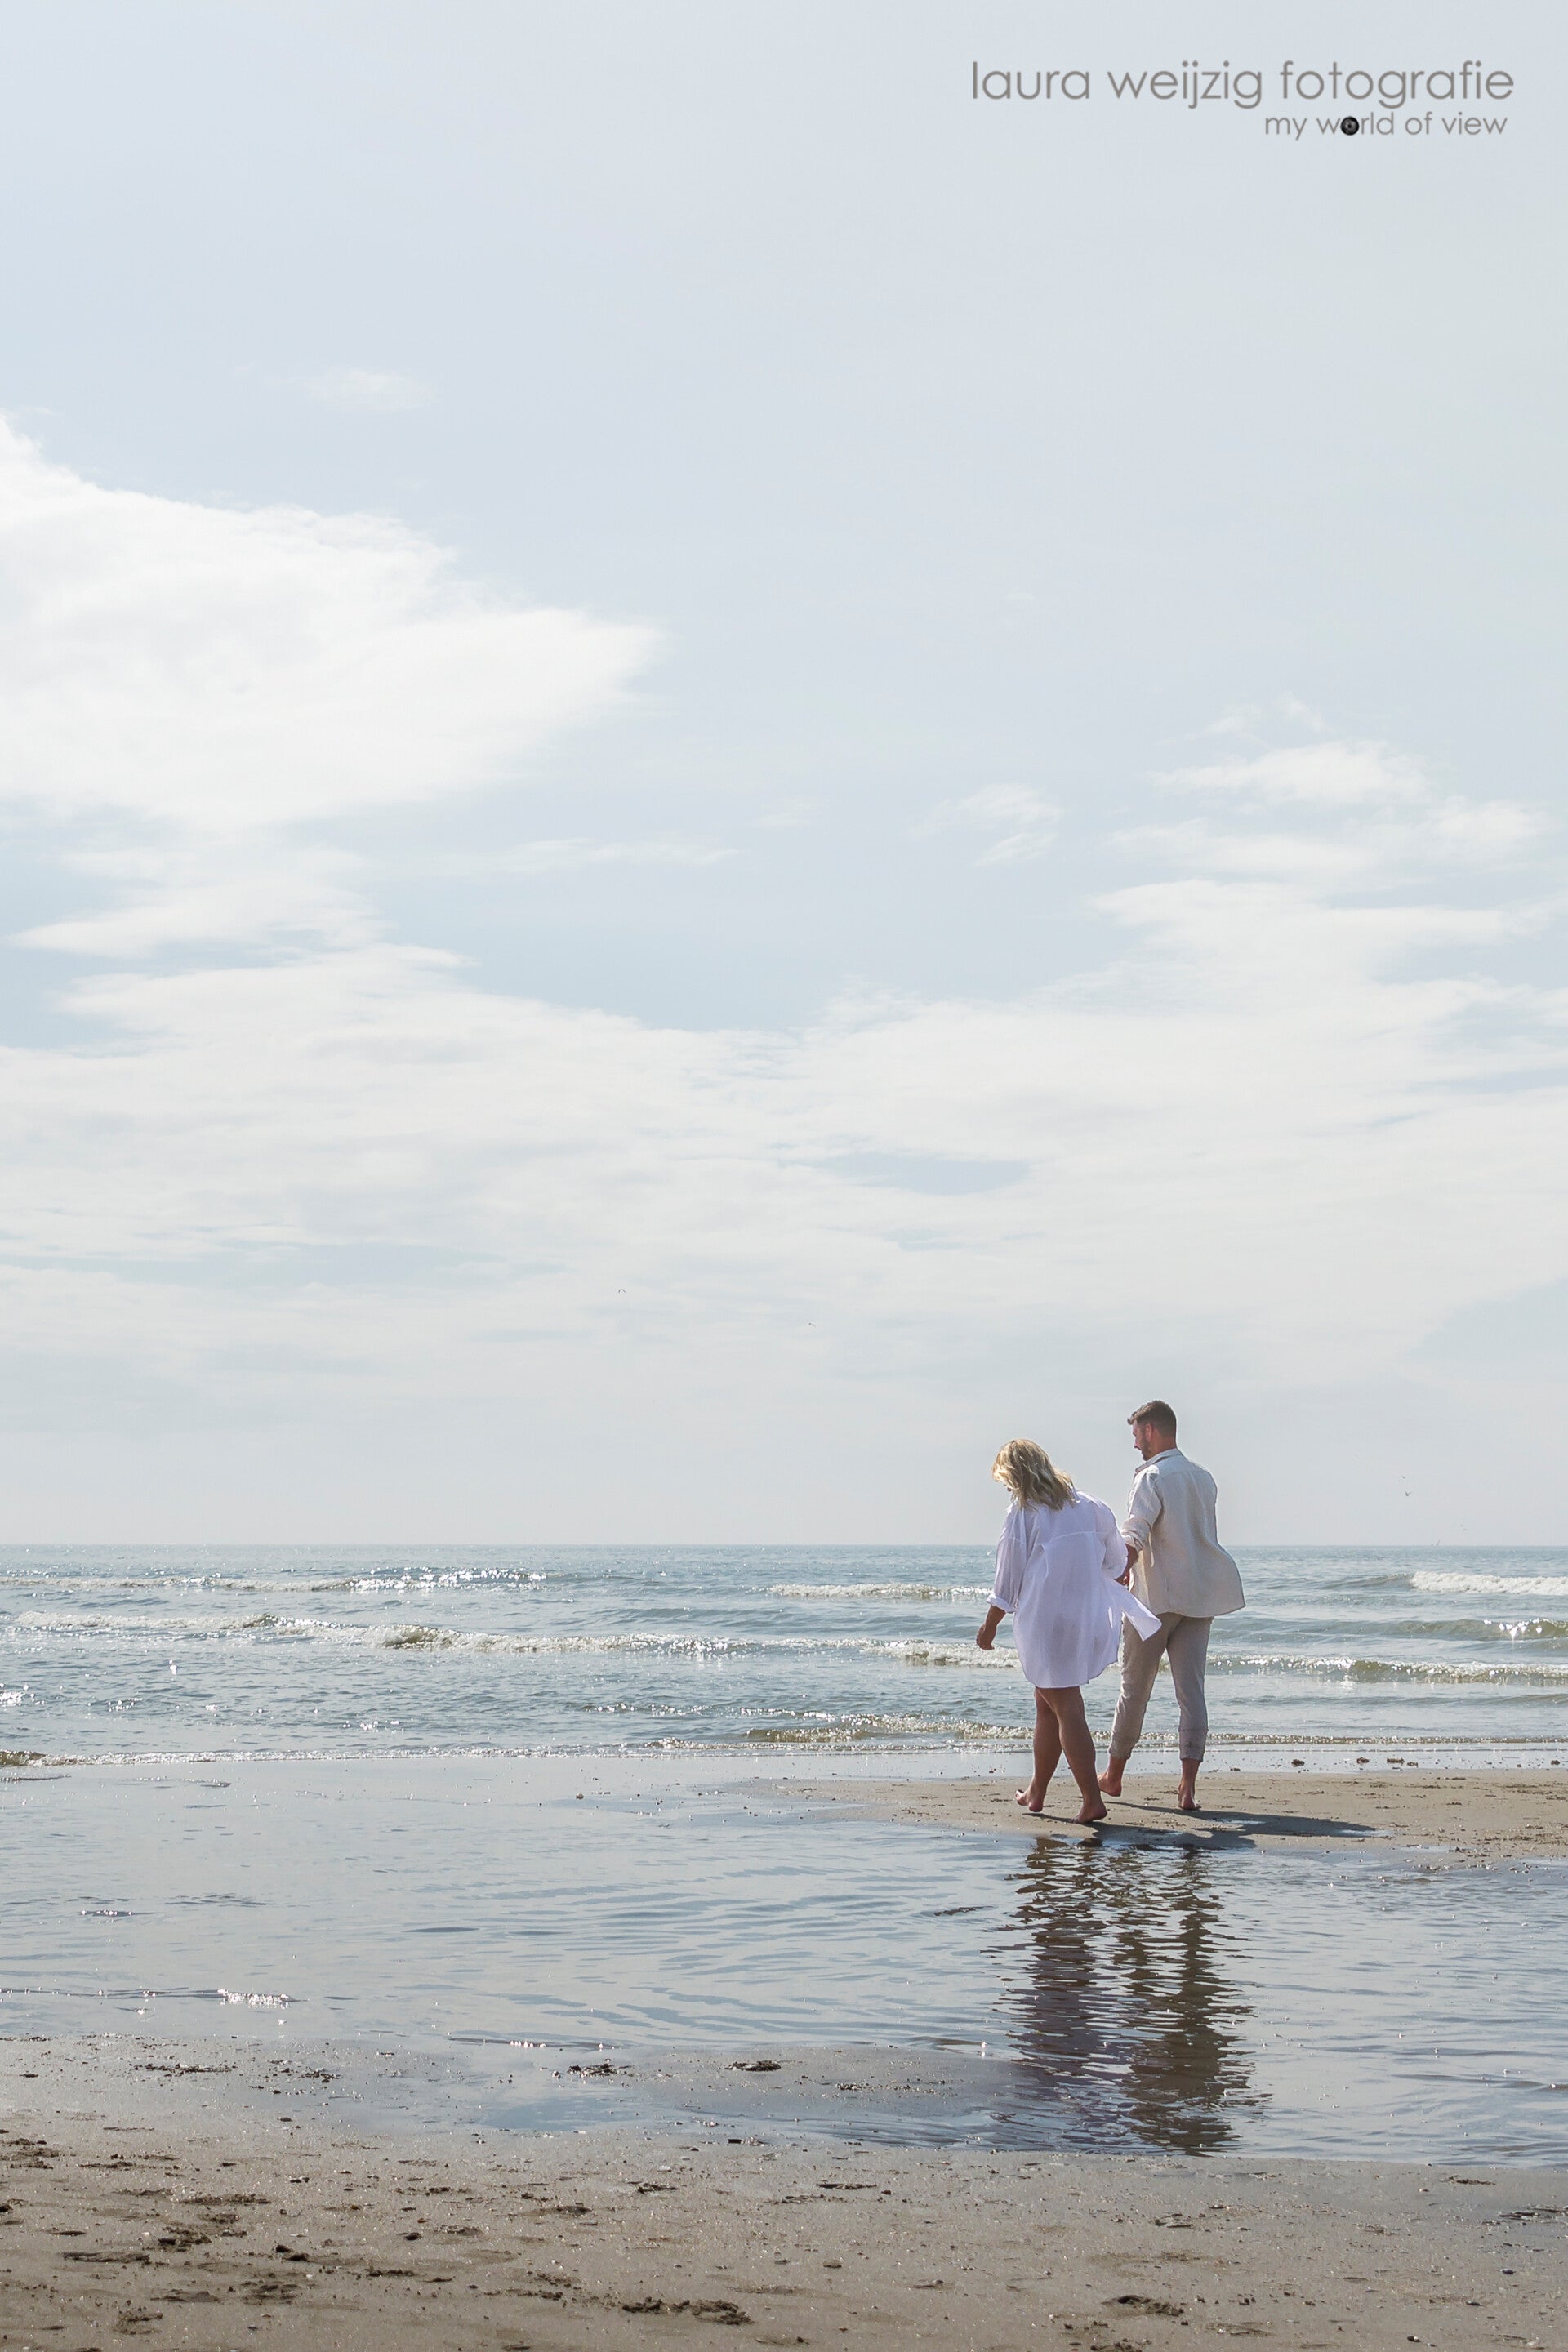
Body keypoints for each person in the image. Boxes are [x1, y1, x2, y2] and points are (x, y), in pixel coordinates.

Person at [976, 1438, 1160, 1825]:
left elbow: (1006, 1583)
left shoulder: (1024, 1513)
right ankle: (1037, 1792)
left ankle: (1092, 1800)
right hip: (1082, 1618)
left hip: (1045, 1622)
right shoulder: (1090, 1506)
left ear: (1015, 1477)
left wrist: (989, 1627)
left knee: (1067, 1708)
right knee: (1047, 1705)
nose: (1008, 1491)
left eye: (1007, 1483)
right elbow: (1115, 1561)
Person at [1098, 1401, 1245, 1815]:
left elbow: (1137, 1531)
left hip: (1157, 1598)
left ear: (1151, 1431)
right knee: (1191, 1691)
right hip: (1199, 1596)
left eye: (1136, 1435)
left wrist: (1117, 1571)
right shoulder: (1204, 1477)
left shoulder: (1152, 1476)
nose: (1135, 1444)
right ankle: (1187, 1787)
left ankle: (1113, 1775)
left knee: (1134, 1688)